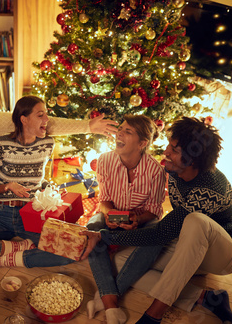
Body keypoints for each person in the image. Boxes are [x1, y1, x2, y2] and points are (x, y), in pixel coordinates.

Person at [80, 117, 232, 324]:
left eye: (174, 149)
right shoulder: (175, 172)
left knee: (195, 221)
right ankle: (206, 298)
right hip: (188, 245)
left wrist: (103, 236)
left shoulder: (210, 187)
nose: (166, 152)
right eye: (169, 146)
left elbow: (162, 231)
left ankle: (153, 315)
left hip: (221, 254)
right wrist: (112, 225)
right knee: (123, 262)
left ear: (192, 159)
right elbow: (167, 229)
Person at [0, 96, 88, 274]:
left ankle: (1, 260)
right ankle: (13, 247)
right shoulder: (1, 144)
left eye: (46, 115)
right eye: (40, 115)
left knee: (77, 248)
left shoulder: (47, 144)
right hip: (1, 213)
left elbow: (39, 179)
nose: (46, 120)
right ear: (24, 119)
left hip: (31, 214)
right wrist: (7, 186)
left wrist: (50, 189)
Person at [0, 91, 118, 228]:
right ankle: (6, 214)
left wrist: (88, 126)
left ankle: (6, 215)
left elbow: (44, 123)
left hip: (8, 182)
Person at [85, 114, 167, 323]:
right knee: (92, 227)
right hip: (113, 214)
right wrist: (109, 215)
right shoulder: (104, 160)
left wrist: (137, 220)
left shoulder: (156, 171)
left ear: (142, 143)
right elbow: (104, 199)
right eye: (120, 128)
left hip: (141, 220)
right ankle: (112, 305)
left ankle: (104, 299)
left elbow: (154, 209)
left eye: (127, 131)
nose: (119, 133)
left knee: (158, 234)